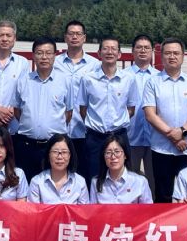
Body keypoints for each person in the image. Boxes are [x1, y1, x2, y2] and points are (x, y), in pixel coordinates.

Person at [143, 37, 187, 203]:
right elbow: (150, 115)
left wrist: (182, 131)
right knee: (163, 194)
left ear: (183, 55)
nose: (172, 56)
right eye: (168, 53)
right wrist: (174, 137)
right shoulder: (152, 82)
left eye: (176, 53)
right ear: (161, 55)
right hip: (161, 148)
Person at [77, 36, 138, 184]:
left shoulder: (128, 79)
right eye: (105, 49)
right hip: (95, 138)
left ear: (119, 54)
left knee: (121, 178)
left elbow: (131, 109)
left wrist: (118, 122)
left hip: (120, 136)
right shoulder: (88, 79)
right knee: (94, 178)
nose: (109, 52)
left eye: (113, 49)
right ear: (99, 53)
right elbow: (83, 109)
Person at [11, 37, 72, 180]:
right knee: (25, 184)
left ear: (55, 55)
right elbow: (17, 111)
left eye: (48, 53)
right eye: (39, 53)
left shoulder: (65, 81)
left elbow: (68, 113)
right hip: (27, 145)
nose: (44, 57)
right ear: (33, 56)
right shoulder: (23, 81)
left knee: (54, 185)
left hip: (54, 146)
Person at [54, 20, 100, 177]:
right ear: (65, 37)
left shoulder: (95, 65)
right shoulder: (55, 62)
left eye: (78, 34)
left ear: (84, 38)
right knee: (59, 173)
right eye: (71, 34)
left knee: (84, 174)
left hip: (85, 131)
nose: (74, 37)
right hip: (59, 129)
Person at [123, 34, 159, 195]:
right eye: (139, 47)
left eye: (146, 48)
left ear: (152, 51)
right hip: (130, 137)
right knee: (129, 181)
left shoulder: (159, 77)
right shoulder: (123, 76)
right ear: (132, 51)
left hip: (155, 138)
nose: (143, 51)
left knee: (154, 181)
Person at [0, 20, 29, 134]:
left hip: (12, 124)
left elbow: (25, 92)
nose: (4, 39)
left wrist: (11, 111)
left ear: (14, 39)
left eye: (8, 35)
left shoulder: (22, 63)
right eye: (0, 35)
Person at [89, 135, 152, 204]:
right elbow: (93, 209)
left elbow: (148, 209)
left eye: (117, 151)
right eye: (108, 153)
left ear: (125, 155)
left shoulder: (140, 182)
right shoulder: (95, 182)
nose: (113, 157)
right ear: (103, 157)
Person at [27, 134, 88, 204]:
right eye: (55, 152)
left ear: (70, 155)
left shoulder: (80, 182)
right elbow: (33, 210)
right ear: (48, 155)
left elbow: (83, 210)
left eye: (64, 152)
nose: (59, 157)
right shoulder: (37, 182)